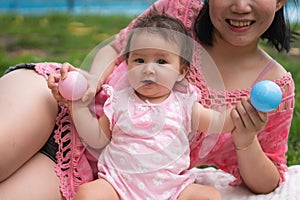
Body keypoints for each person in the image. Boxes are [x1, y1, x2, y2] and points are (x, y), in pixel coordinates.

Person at [0, 0, 297, 199]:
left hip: (88, 173)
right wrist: (90, 83)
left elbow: (269, 180)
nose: (240, 5)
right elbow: (114, 48)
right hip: (55, 102)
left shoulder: (274, 86)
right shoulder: (181, 9)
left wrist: (245, 140)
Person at [64, 12, 234, 200]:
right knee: (88, 193)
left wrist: (243, 112)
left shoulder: (185, 104)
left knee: (209, 196)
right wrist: (77, 104)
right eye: (139, 60)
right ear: (127, 64)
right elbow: (96, 138)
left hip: (172, 189)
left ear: (181, 71)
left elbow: (219, 122)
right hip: (118, 185)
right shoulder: (119, 101)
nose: (148, 69)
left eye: (161, 61)